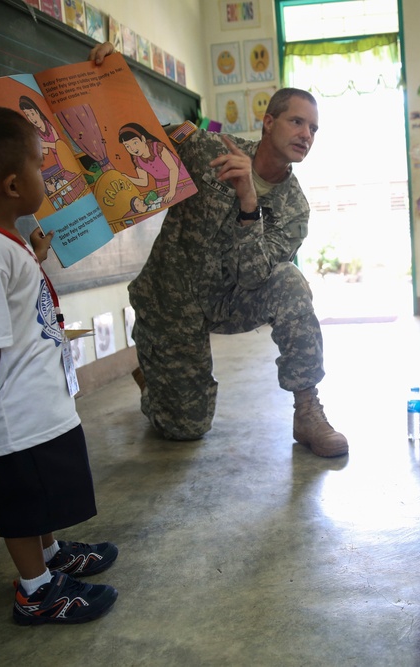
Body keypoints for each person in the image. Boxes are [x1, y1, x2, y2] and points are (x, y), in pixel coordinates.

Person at [90, 42, 348, 457]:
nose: (306, 134)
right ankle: (157, 380)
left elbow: (253, 276)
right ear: (268, 123)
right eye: (297, 122)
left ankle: (307, 411)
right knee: (186, 429)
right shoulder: (208, 148)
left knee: (290, 282)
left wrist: (249, 203)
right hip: (169, 300)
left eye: (313, 128)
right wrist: (107, 79)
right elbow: (137, 140)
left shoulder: (294, 208)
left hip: (229, 300)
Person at [0, 105, 119, 624]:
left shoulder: (2, 239)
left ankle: (52, 556)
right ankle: (35, 589)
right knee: (23, 498)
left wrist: (34, 255)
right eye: (42, 165)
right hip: (20, 406)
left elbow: (14, 300)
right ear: (14, 185)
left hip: (42, 397)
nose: (48, 175)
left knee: (44, 491)